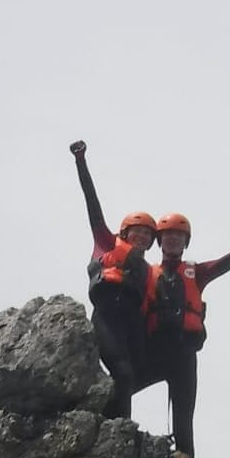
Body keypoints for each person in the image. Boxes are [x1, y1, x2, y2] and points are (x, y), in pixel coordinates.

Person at [139, 196, 230, 458]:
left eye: (179, 236)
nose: (173, 240)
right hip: (154, 349)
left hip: (184, 353)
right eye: (168, 236)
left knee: (184, 411)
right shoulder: (146, 273)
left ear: (186, 242)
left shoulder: (197, 273)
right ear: (160, 241)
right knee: (122, 385)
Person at [70, 140, 156, 421]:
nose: (142, 237)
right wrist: (80, 161)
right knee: (123, 371)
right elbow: (91, 202)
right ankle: (121, 426)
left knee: (134, 373)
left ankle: (107, 412)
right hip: (107, 316)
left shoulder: (147, 270)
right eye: (137, 232)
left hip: (131, 322)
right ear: (126, 233)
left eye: (147, 235)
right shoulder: (106, 243)